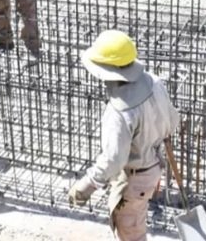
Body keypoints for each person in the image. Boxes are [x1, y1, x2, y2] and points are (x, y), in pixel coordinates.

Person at [68, 30, 180, 241]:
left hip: (134, 178)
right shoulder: (153, 81)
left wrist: (86, 186)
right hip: (154, 165)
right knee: (135, 220)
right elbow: (173, 121)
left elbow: (114, 159)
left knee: (130, 230)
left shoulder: (119, 111)